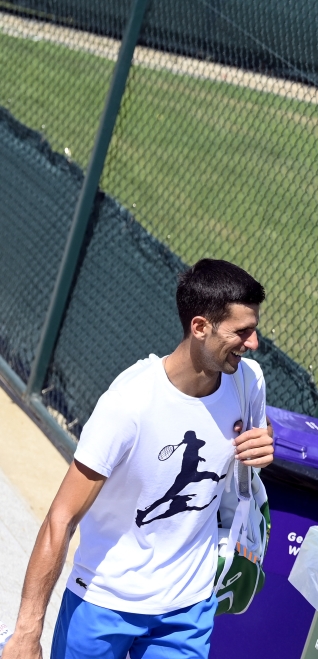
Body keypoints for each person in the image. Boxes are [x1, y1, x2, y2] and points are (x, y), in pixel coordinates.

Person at [5, 259, 275, 659]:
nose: (253, 343)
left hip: (188, 605)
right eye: (242, 331)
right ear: (200, 327)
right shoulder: (128, 406)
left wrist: (267, 444)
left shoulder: (248, 381)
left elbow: (255, 441)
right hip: (103, 601)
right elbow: (60, 518)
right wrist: (27, 633)